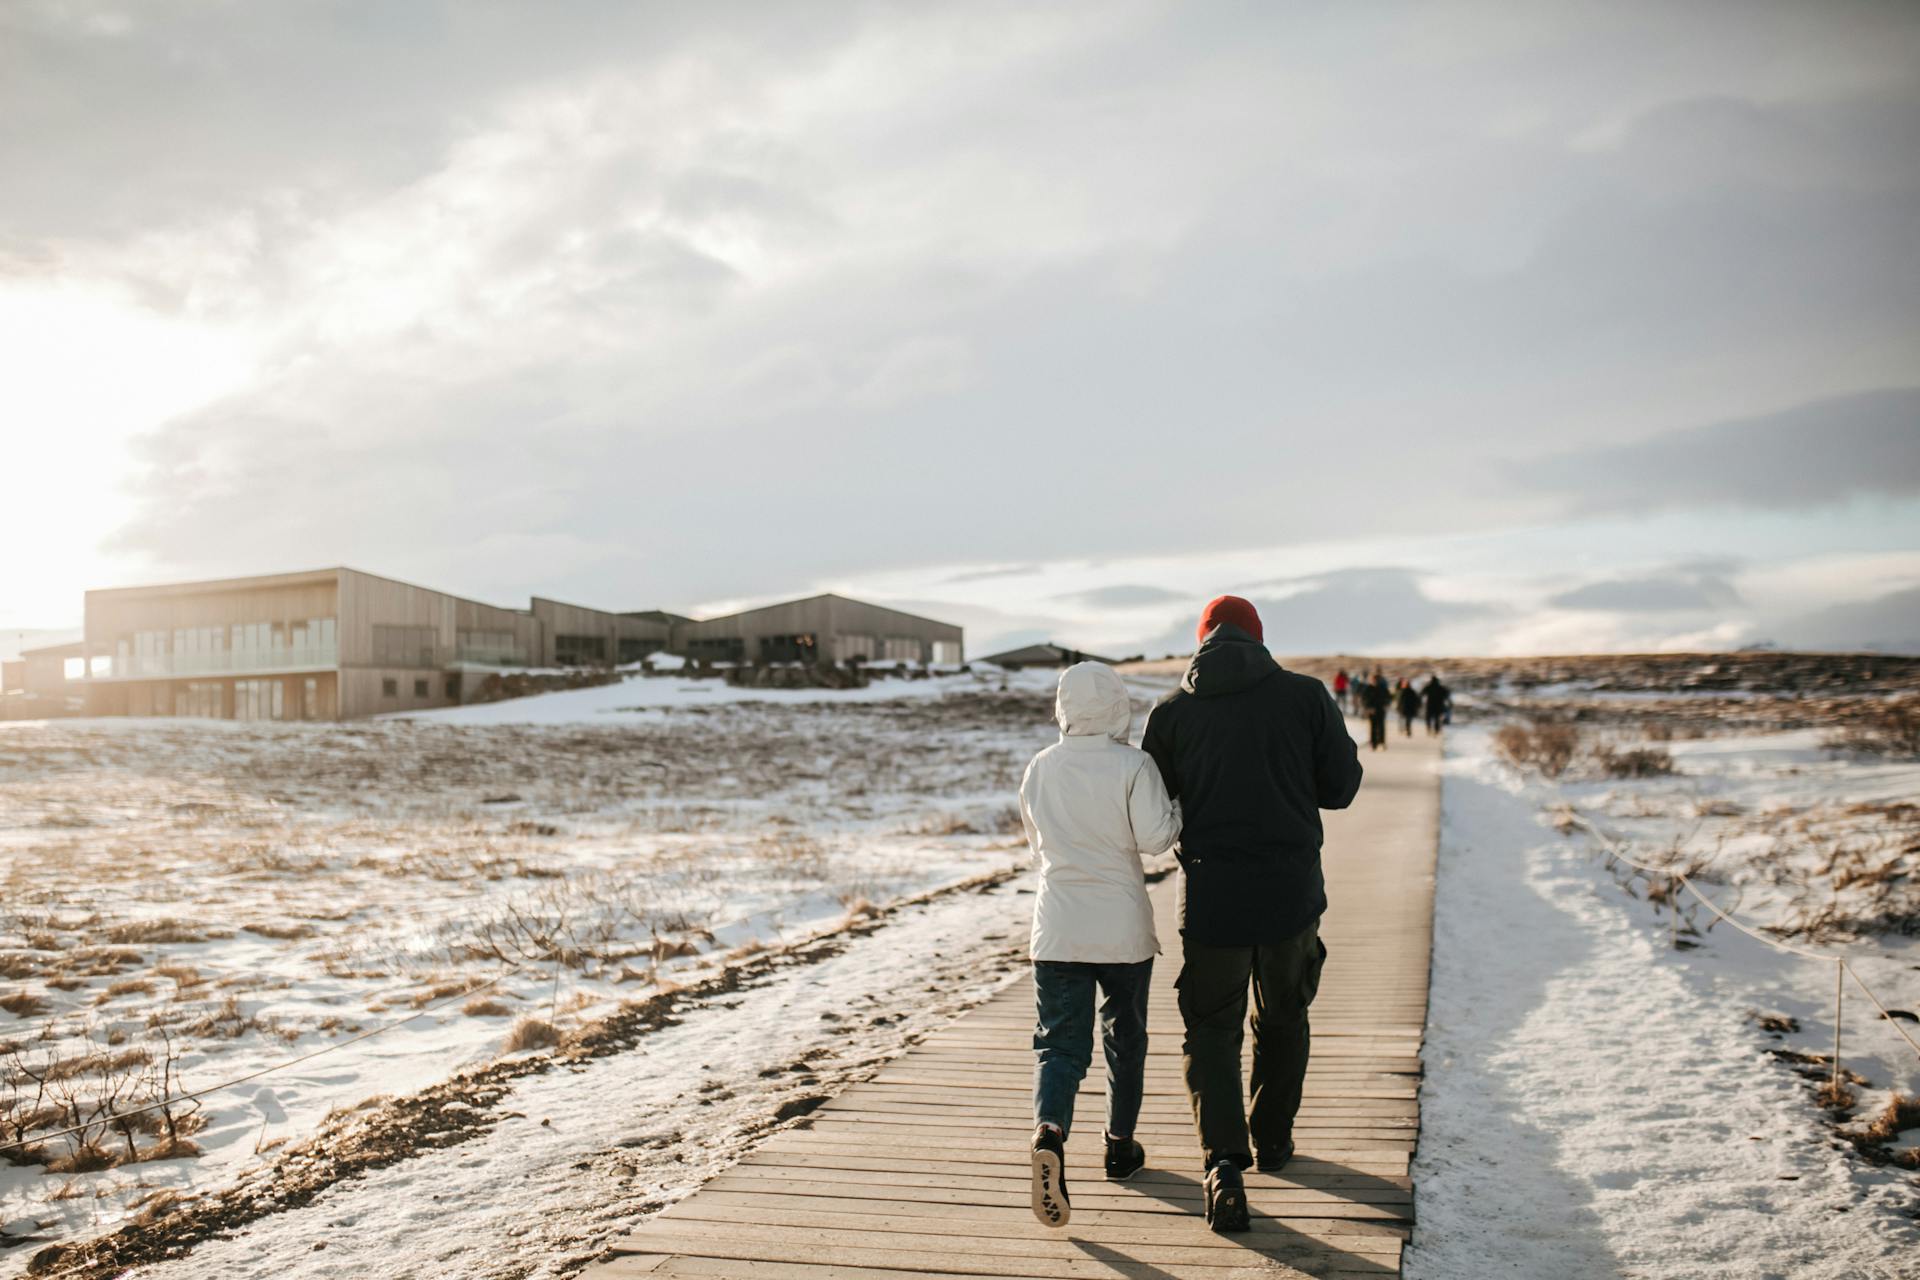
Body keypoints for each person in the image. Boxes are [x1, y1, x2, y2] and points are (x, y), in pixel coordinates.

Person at [1140, 596, 1362, 1233]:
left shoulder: (1173, 712)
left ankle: (1223, 1166)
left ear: (1202, 640)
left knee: (1211, 1029)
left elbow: (1157, 807)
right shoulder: (1306, 696)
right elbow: (1341, 789)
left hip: (1212, 896)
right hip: (1291, 891)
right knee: (1284, 1014)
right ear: (1258, 638)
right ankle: (1273, 1140)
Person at [1019, 661, 1181, 1228]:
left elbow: (1035, 846)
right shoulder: (1134, 765)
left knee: (1060, 1046)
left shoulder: (1040, 767)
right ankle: (1119, 1146)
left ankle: (1050, 1132)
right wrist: (1178, 811)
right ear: (1118, 705)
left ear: (1063, 708)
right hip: (1121, 931)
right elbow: (1158, 839)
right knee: (1125, 1039)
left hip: (1058, 926)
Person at [1360, 668, 1390, 750]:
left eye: (1376, 680)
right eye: (1373, 679)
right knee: (1373, 727)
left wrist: (1386, 705)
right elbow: (1364, 699)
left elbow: (1388, 697)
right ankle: (1373, 744)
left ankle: (1382, 742)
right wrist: (1368, 708)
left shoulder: (1383, 688)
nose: (1374, 681)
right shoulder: (1368, 689)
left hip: (1381, 710)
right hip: (1371, 711)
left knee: (1381, 727)